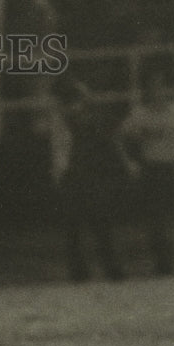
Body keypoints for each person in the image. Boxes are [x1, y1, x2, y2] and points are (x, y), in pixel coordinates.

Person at [115, 68, 174, 276]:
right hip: (152, 169)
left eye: (161, 86)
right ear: (147, 91)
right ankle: (164, 268)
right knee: (155, 222)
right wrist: (129, 163)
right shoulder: (139, 114)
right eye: (153, 87)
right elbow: (119, 137)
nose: (157, 91)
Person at [48, 77, 127, 282]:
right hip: (74, 174)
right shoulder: (64, 119)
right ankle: (86, 272)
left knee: (97, 223)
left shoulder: (80, 118)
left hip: (85, 173)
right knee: (77, 226)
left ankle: (107, 270)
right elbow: (60, 150)